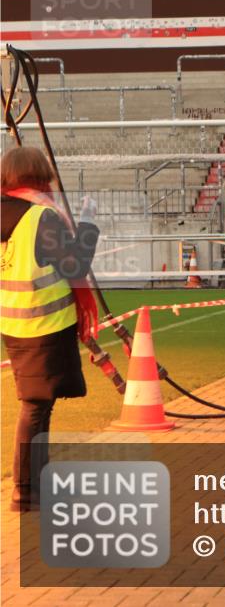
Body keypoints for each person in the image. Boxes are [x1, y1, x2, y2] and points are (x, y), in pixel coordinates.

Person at [1, 147, 100, 512]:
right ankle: (25, 490)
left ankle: (36, 484)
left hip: (15, 324)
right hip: (45, 324)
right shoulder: (40, 215)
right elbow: (75, 265)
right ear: (40, 174)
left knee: (39, 405)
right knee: (35, 407)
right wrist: (87, 224)